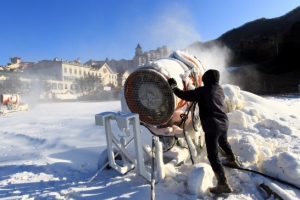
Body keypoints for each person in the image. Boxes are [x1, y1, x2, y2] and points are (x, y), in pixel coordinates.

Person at [168, 69, 240, 194]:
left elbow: (186, 96)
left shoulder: (204, 90)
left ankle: (223, 184)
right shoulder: (219, 89)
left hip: (212, 126)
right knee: (223, 142)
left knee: (213, 155)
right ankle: (232, 160)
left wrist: (174, 88)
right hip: (223, 122)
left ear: (206, 79)